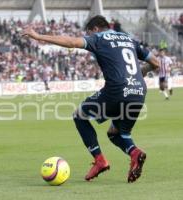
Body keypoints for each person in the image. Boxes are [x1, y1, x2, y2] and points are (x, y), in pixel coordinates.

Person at [23, 15, 159, 183]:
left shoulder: (98, 38)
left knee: (79, 116)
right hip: (138, 92)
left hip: (117, 90)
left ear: (94, 29)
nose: (88, 36)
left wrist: (38, 36)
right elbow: (155, 63)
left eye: (88, 33)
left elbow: (72, 43)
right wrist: (141, 73)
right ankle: (134, 152)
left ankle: (100, 160)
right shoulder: (128, 39)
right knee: (117, 133)